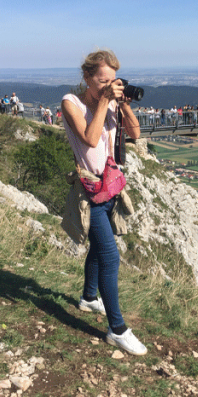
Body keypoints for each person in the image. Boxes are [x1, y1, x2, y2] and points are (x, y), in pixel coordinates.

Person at [60, 49, 146, 355]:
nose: (108, 85)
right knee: (110, 257)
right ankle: (117, 329)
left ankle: (87, 298)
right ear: (86, 77)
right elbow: (91, 139)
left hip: (111, 190)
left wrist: (122, 106)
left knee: (98, 248)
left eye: (113, 80)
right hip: (90, 193)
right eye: (102, 80)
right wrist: (105, 102)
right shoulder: (72, 103)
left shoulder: (110, 105)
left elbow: (135, 134)